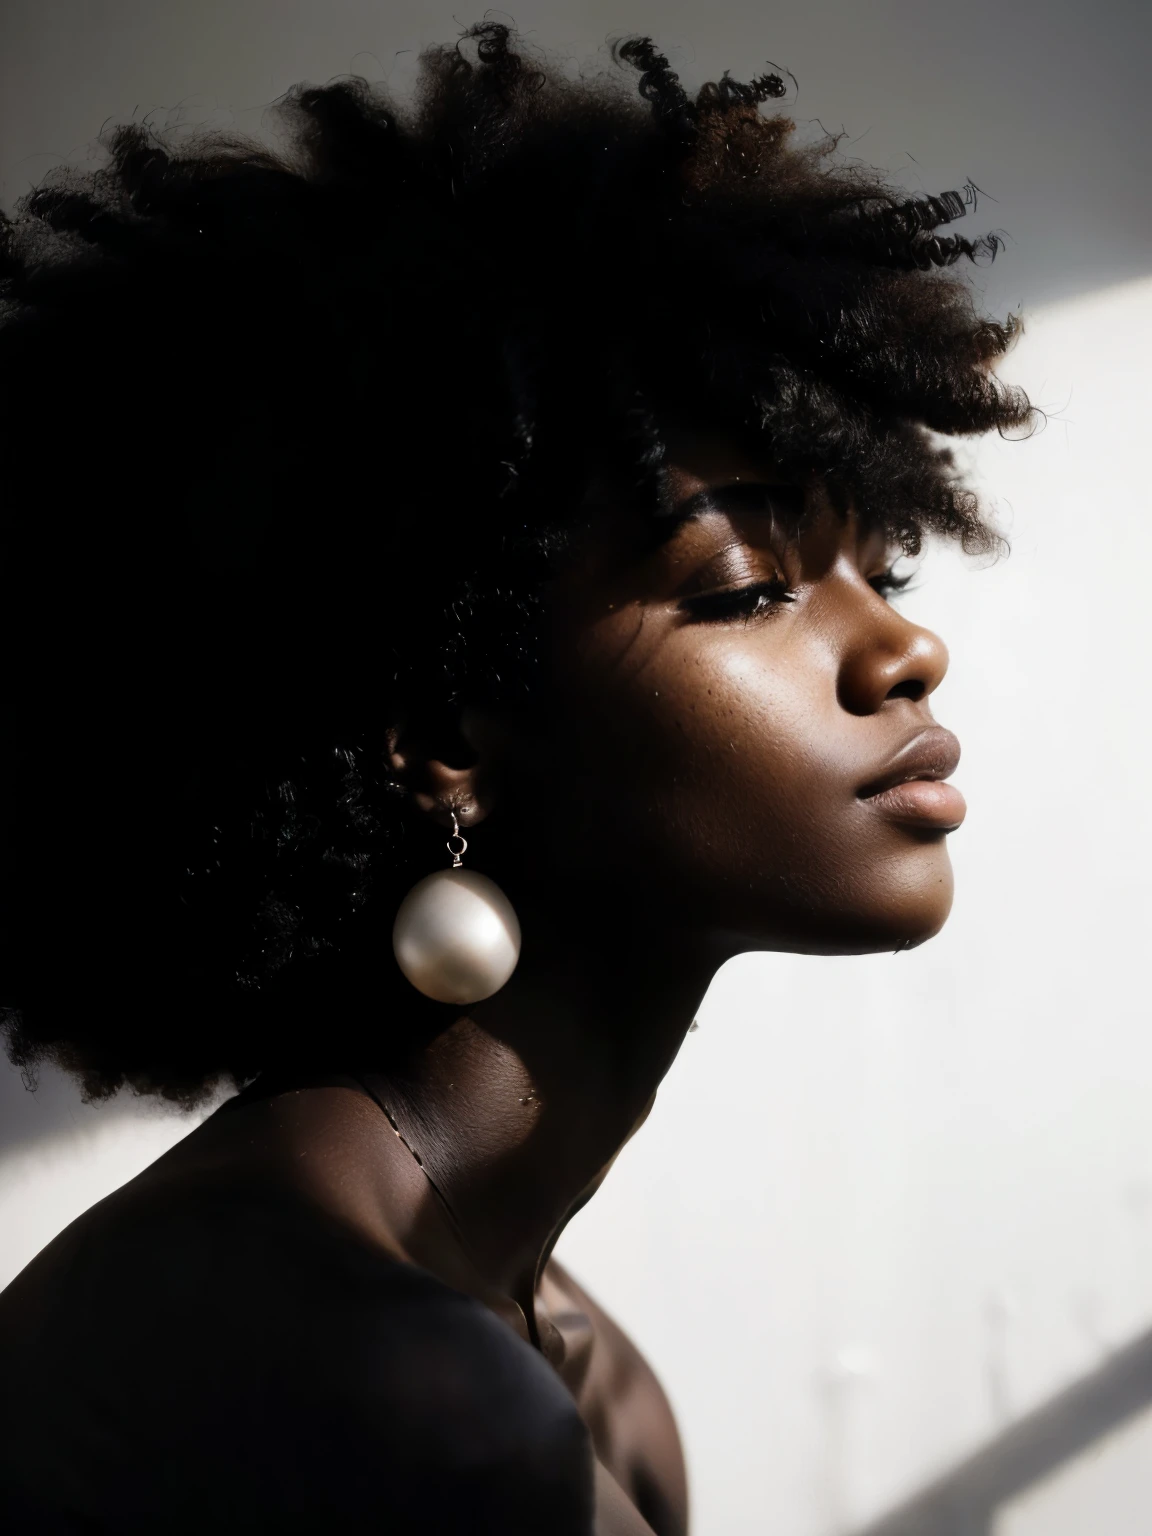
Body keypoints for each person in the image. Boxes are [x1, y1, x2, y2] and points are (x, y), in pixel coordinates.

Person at [0, 21, 1032, 1534]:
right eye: (749, 586)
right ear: (451, 738)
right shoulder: (353, 1367)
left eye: (879, 566)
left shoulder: (570, 1362)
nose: (904, 648)